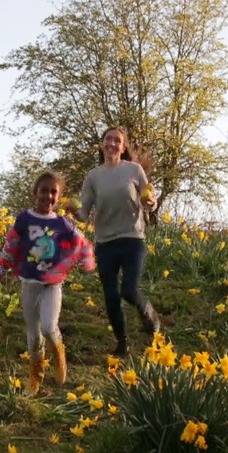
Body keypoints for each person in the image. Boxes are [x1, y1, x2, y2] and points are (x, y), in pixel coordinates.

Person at [0, 172, 96, 394]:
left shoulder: (62, 223)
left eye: (53, 192)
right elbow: (10, 246)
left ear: (59, 198)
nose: (48, 196)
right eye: (44, 190)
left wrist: (86, 261)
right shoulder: (24, 219)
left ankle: (59, 352)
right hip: (29, 283)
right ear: (35, 193)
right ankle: (35, 375)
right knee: (33, 333)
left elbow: (82, 242)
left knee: (49, 327)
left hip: (52, 285)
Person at [78, 126, 160, 356]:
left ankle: (146, 311)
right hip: (105, 243)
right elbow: (84, 213)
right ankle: (122, 343)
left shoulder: (134, 170)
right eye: (108, 139)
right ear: (102, 144)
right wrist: (72, 211)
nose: (111, 144)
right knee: (111, 296)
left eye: (117, 140)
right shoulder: (94, 176)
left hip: (132, 238)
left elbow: (147, 198)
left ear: (123, 147)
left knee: (129, 290)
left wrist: (150, 202)